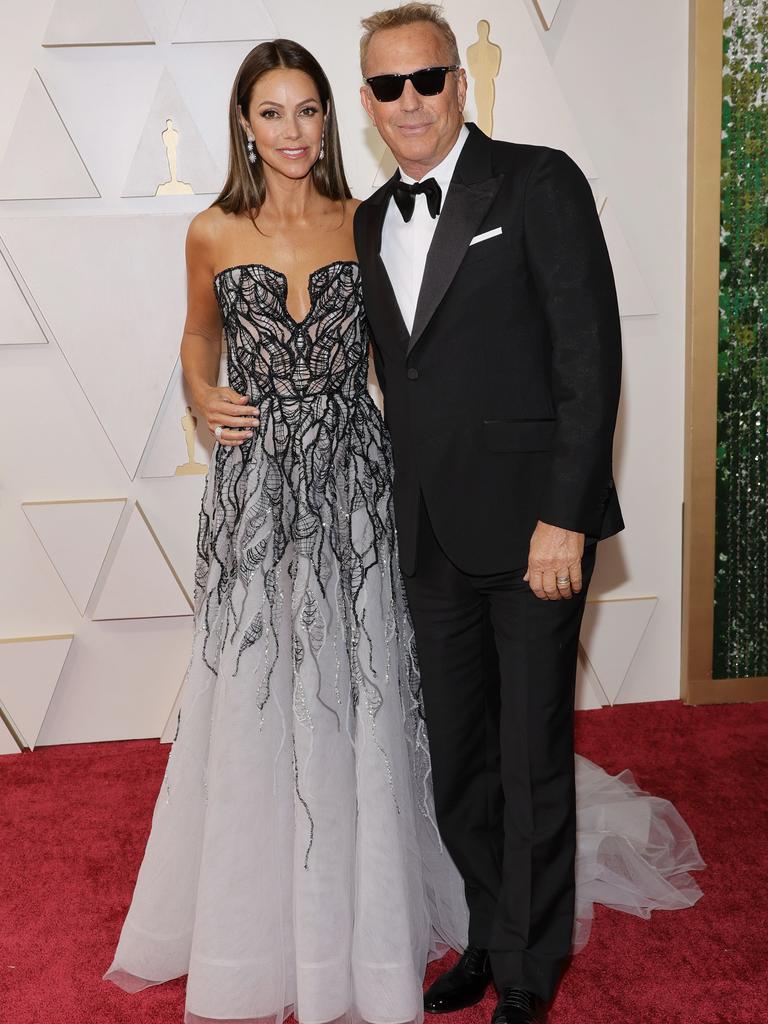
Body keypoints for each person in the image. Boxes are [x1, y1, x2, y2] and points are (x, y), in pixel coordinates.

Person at [104, 38, 468, 1024]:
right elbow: (197, 333)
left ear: (328, 117)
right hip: (257, 486)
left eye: (307, 110)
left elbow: (404, 359)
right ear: (243, 124)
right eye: (273, 112)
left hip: (355, 480)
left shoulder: (367, 222)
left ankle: (365, 914)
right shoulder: (212, 231)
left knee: (354, 684)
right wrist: (198, 387)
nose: (294, 131)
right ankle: (261, 923)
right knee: (265, 689)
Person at [353, 5, 702, 1024]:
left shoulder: (539, 182)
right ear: (369, 103)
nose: (409, 100)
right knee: (458, 758)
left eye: (427, 79)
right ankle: (490, 933)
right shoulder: (372, 220)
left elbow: (590, 362)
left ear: (460, 85)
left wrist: (567, 516)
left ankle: (533, 969)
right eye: (387, 86)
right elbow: (400, 378)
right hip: (429, 534)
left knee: (531, 753)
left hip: (533, 533)